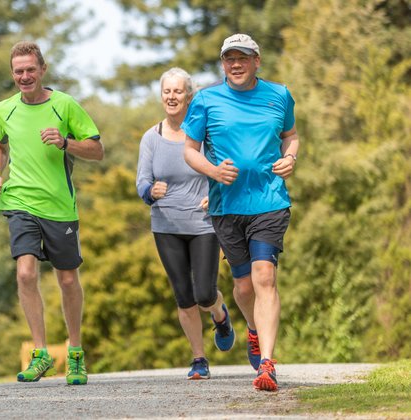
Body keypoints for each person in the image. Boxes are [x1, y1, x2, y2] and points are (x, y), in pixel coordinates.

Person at [182, 34, 300, 392]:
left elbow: (291, 135)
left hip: (269, 201)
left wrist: (290, 157)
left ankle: (267, 363)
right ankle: (252, 328)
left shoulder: (279, 95)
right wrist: (213, 171)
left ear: (256, 60)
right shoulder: (205, 100)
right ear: (222, 64)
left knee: (264, 277)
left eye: (243, 58)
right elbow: (189, 149)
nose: (235, 64)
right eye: (229, 58)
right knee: (244, 285)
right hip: (226, 206)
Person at [0, 41, 103, 386]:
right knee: (25, 273)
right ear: (13, 74)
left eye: (30, 70)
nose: (24, 76)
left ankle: (76, 353)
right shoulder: (4, 109)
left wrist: (67, 142)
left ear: (43, 70)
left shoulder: (64, 105)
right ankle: (40, 354)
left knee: (67, 279)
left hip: (58, 206)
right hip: (19, 200)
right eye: (19, 71)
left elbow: (97, 150)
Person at [135, 68, 236, 380]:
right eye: (167, 91)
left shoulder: (205, 135)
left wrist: (215, 193)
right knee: (183, 295)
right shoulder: (151, 138)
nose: (171, 96)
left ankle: (219, 315)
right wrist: (150, 191)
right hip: (166, 225)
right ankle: (199, 359)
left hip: (204, 222)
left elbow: (226, 170)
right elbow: (141, 182)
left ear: (189, 97)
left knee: (205, 293)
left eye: (178, 91)